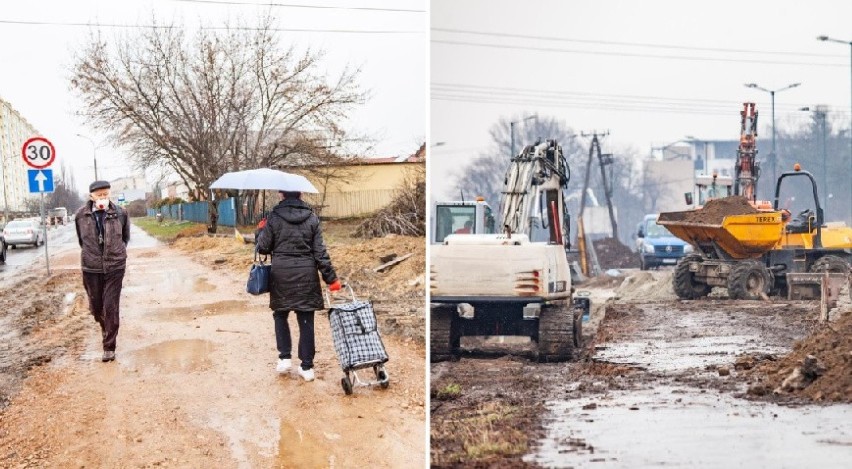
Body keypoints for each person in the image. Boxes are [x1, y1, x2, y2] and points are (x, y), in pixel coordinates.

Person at [256, 191, 341, 381]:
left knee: (280, 314)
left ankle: (285, 358)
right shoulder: (311, 218)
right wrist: (331, 279)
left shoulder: (274, 217)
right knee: (306, 319)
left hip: (281, 276)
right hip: (306, 276)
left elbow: (263, 247)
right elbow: (320, 253)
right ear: (300, 194)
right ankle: (307, 367)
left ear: (281, 195)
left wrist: (261, 230)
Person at [74, 180, 130, 362]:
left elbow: (125, 238)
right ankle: (105, 326)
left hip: (115, 266)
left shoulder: (120, 213)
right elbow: (81, 241)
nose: (103, 198)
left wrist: (116, 252)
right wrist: (93, 255)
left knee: (110, 306)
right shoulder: (81, 216)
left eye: (106, 194)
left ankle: (109, 347)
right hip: (91, 268)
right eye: (99, 195)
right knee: (96, 307)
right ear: (91, 196)